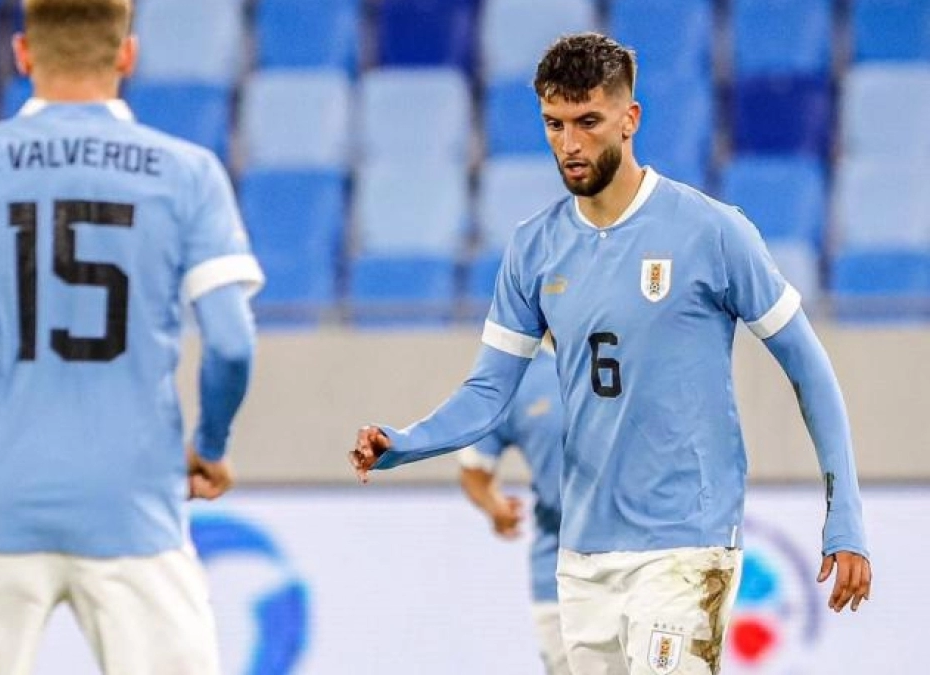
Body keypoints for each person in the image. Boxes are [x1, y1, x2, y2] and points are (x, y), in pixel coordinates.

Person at [350, 32, 871, 675]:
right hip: (584, 555)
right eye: (554, 124)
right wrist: (404, 443)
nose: (569, 144)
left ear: (630, 119)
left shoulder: (711, 231)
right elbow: (488, 392)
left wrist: (843, 512)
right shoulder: (533, 249)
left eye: (588, 122)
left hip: (686, 544)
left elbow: (809, 368)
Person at [0, 1, 264, 673]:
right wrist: (211, 444)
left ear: (23, 54)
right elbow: (230, 342)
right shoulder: (189, 173)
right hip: (136, 509)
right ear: (127, 55)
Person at [457, 339, 569, 675]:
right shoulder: (515, 378)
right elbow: (474, 467)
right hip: (561, 572)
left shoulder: (627, 349)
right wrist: (494, 506)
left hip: (645, 557)